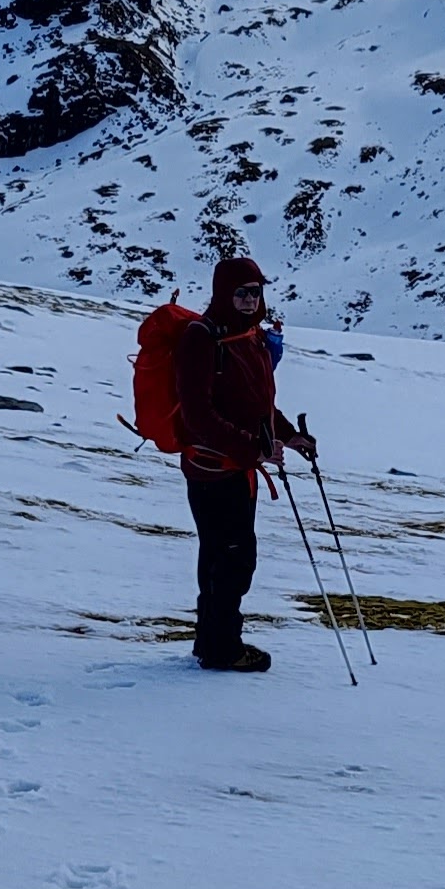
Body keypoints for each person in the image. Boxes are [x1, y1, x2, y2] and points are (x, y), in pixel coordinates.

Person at [172, 252, 316, 672]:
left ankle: (211, 641)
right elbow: (197, 416)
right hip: (213, 469)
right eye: (241, 293)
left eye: (255, 292)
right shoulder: (202, 339)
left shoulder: (248, 335)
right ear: (223, 293)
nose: (250, 300)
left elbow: (257, 402)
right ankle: (223, 649)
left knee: (220, 557)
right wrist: (255, 449)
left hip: (236, 467)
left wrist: (287, 435)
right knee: (233, 558)